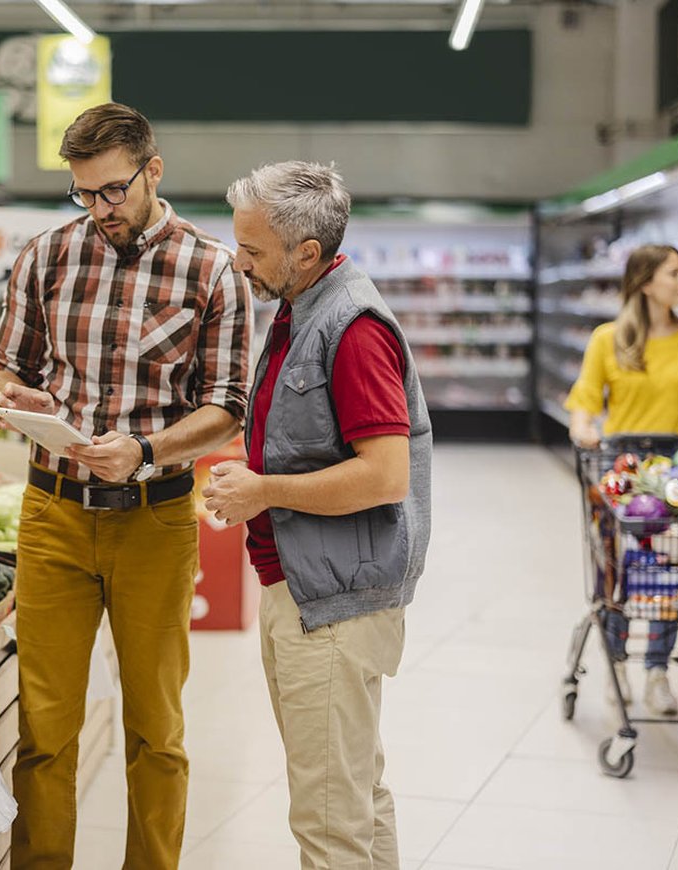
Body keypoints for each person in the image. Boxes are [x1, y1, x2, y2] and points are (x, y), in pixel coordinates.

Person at [0, 103, 252, 869]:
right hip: (53, 515)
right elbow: (5, 365)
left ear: (152, 171)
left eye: (113, 191)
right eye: (84, 193)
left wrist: (145, 448)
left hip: (155, 521)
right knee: (45, 728)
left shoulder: (210, 270)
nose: (100, 209)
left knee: (155, 732)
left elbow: (227, 406)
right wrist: (15, 395)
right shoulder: (45, 256)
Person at [203, 161, 432, 870]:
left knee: (328, 823)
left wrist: (263, 493)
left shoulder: (351, 328)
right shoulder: (300, 308)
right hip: (308, 586)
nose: (239, 264)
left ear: (306, 252)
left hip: (331, 606)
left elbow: (384, 475)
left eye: (253, 251)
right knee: (355, 795)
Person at [566, 243, 678, 715]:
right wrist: (585, 430)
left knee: (671, 570)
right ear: (646, 281)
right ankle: (617, 664)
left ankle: (656, 669)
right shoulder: (609, 339)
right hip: (622, 472)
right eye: (675, 273)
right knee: (619, 572)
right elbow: (585, 405)